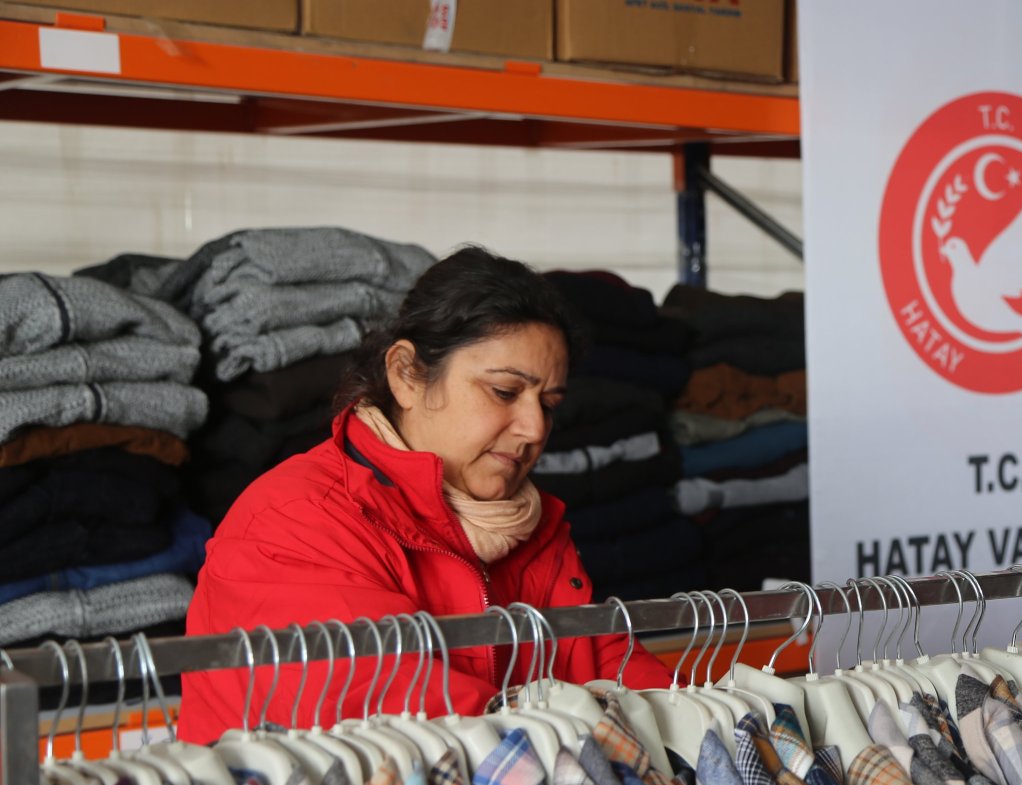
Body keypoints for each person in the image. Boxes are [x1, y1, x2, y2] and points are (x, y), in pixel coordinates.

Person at [178, 247, 674, 744]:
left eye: (548, 403)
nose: (534, 428)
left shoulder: (528, 527)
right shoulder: (296, 525)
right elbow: (405, 720)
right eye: (504, 392)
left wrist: (696, 721)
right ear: (406, 375)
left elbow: (611, 663)